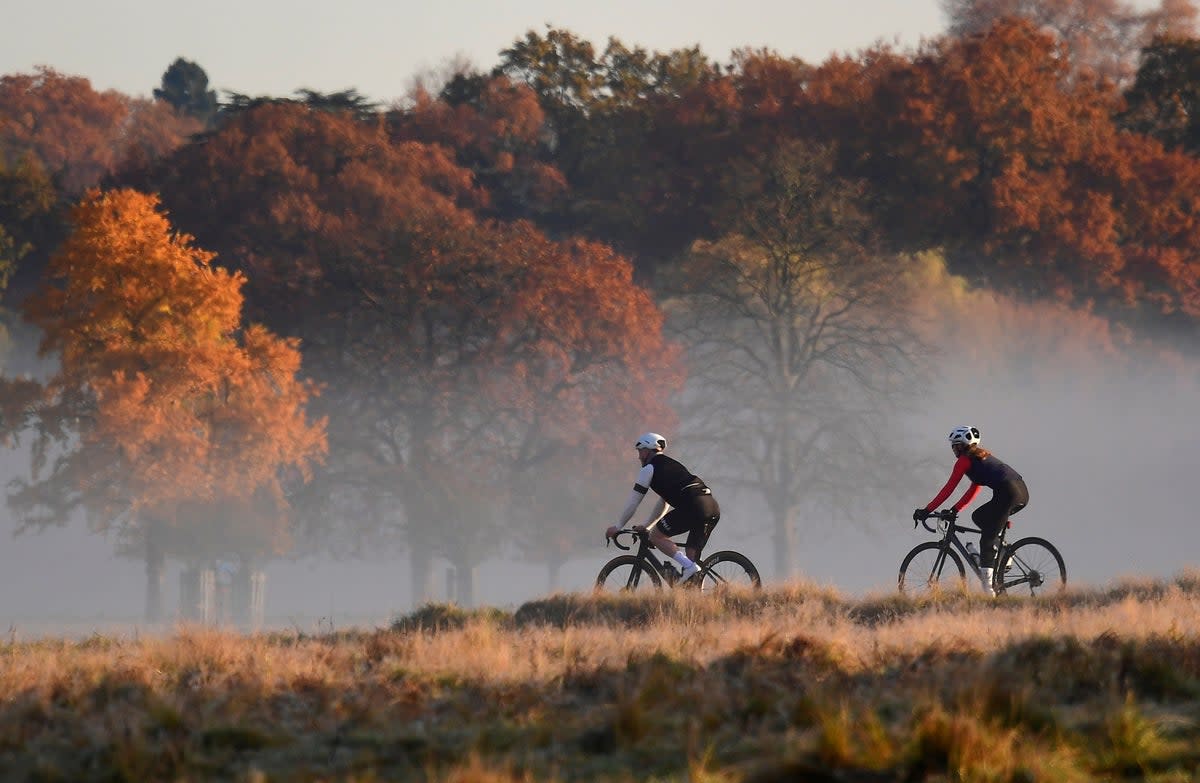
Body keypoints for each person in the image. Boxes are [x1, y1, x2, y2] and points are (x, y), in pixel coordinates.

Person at [913, 426, 1029, 597]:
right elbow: (974, 489)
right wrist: (955, 509)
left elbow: (948, 488)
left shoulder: (964, 461)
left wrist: (927, 510)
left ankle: (989, 590)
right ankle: (1004, 553)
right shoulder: (980, 458)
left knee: (986, 539)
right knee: (979, 516)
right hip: (1021, 493)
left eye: (955, 445)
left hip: (1008, 494)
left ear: (962, 446)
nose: (953, 449)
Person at [605, 432, 720, 583]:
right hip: (711, 507)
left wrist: (618, 526)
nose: (639, 456)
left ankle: (690, 568)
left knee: (656, 536)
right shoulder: (671, 466)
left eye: (640, 451)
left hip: (693, 506)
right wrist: (647, 525)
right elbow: (664, 502)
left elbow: (634, 501)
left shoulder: (649, 469)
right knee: (691, 556)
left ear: (647, 450)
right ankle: (695, 590)